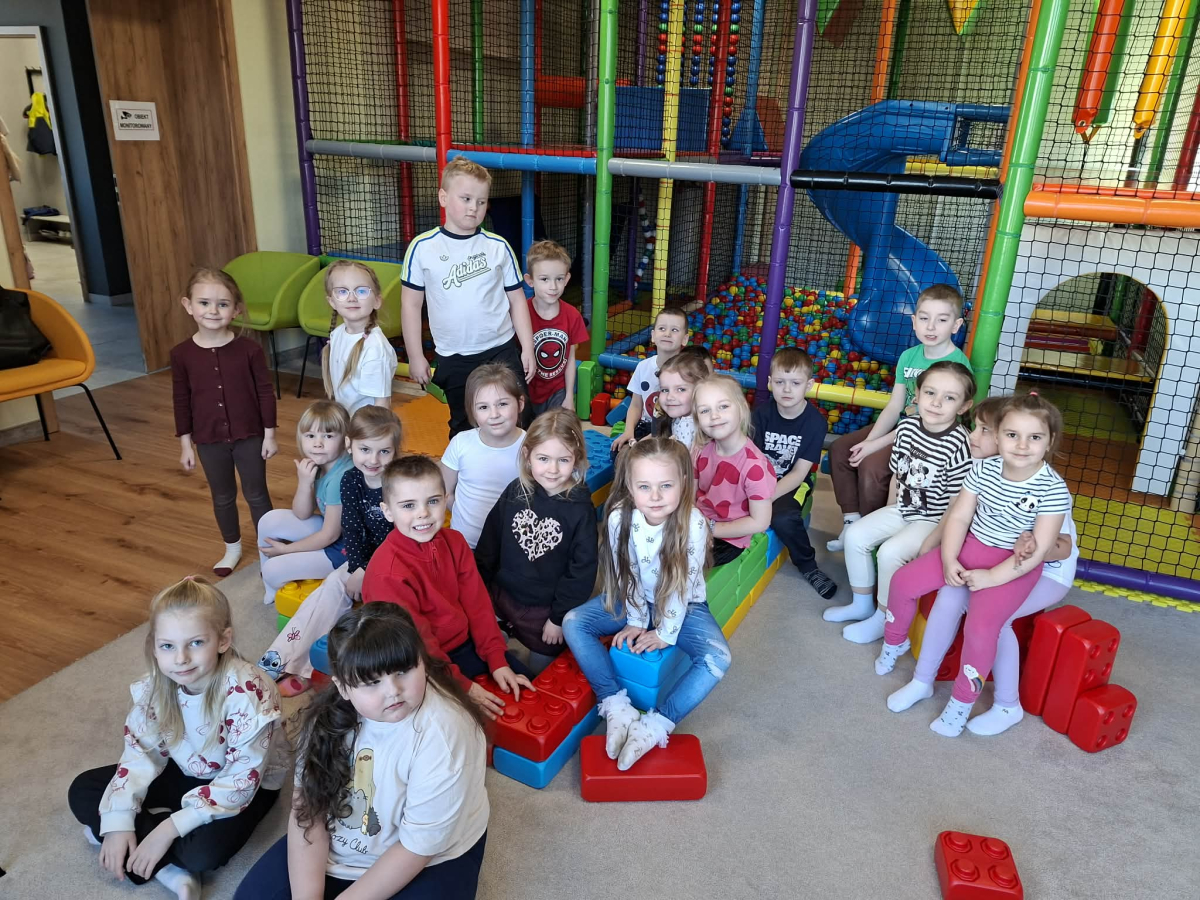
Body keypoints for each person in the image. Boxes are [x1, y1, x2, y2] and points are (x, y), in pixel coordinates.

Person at [234, 604, 489, 900]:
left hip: (430, 856)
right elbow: (308, 811)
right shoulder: (325, 720)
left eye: (404, 670)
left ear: (422, 660)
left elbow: (416, 849)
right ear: (342, 687)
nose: (393, 690)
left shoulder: (443, 734)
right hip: (345, 843)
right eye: (372, 682)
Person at [69, 576, 286, 900]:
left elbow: (241, 780)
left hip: (245, 784)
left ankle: (151, 848)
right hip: (186, 766)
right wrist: (118, 821)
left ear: (223, 640)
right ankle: (169, 870)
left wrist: (167, 829)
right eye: (167, 646)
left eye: (196, 643)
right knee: (83, 790)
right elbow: (140, 752)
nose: (180, 658)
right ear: (154, 646)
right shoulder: (156, 684)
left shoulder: (248, 692)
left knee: (203, 854)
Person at [876, 393, 1072, 737]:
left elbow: (1042, 550)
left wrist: (992, 576)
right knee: (906, 581)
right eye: (1012, 435)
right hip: (971, 549)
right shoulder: (983, 469)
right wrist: (949, 558)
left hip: (1013, 566)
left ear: (1050, 441)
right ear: (999, 437)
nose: (1022, 445)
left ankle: (961, 704)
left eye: (1034, 437)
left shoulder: (1053, 489)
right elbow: (960, 517)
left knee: (982, 629)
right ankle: (914, 670)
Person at [563, 438, 731, 770]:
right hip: (634, 599)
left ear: (683, 482)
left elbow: (681, 586)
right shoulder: (618, 519)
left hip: (684, 605)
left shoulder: (694, 523)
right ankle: (615, 703)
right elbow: (626, 573)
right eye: (644, 486)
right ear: (630, 486)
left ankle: (656, 725)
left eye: (666, 485)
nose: (655, 496)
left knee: (718, 658)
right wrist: (638, 619)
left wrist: (666, 632)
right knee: (574, 622)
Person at [363, 455, 534, 721]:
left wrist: (497, 659)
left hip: (463, 644)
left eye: (433, 501)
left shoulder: (455, 542)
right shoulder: (387, 573)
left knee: (526, 687)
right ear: (387, 511)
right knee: (467, 725)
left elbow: (477, 605)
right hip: (415, 663)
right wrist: (463, 687)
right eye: (408, 505)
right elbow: (416, 643)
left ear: (446, 499)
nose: (423, 513)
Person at [823, 361, 975, 642]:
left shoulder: (959, 444)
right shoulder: (907, 428)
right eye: (930, 393)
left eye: (949, 398)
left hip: (934, 519)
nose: (936, 403)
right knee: (855, 535)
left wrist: (934, 541)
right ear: (917, 395)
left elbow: (958, 503)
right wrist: (886, 513)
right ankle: (861, 603)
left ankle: (884, 617)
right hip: (903, 508)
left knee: (890, 552)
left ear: (964, 406)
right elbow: (897, 474)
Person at [257, 405, 402, 696]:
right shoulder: (351, 480)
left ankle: (303, 669)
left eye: (384, 451)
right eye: (365, 450)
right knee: (326, 593)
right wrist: (358, 567)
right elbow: (353, 531)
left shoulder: (398, 483)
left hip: (395, 560)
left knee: (362, 604)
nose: (373, 460)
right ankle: (279, 660)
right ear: (350, 445)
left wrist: (366, 569)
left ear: (395, 451)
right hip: (361, 558)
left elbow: (399, 538)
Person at [826, 284, 970, 551]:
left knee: (871, 466)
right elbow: (895, 406)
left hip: (927, 437)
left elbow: (922, 424)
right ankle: (852, 522)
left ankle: (872, 534)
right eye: (924, 318)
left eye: (941, 320)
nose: (931, 327)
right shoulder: (908, 357)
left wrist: (874, 446)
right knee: (841, 449)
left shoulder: (956, 366)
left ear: (956, 325)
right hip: (904, 426)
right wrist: (869, 441)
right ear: (914, 321)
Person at [401, 157, 535, 438]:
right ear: (443, 198)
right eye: (466, 199)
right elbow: (411, 305)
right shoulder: (422, 248)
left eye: (481, 201)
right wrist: (415, 355)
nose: (474, 207)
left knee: (518, 419)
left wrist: (527, 348)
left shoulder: (498, 246)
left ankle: (522, 467)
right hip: (454, 356)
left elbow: (517, 301)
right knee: (464, 425)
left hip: (500, 350)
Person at [171, 268, 276, 576]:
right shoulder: (181, 354)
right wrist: (185, 444)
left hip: (250, 436)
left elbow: (265, 393)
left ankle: (269, 549)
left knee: (257, 494)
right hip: (208, 439)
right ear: (188, 305)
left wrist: (269, 435)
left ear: (236, 309)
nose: (213, 311)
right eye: (204, 303)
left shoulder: (250, 350)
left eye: (223, 304)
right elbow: (181, 399)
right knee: (223, 496)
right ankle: (232, 547)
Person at [475, 408, 599, 668]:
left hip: (545, 609)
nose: (552, 469)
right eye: (543, 458)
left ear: (576, 459)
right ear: (527, 456)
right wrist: (479, 587)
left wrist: (558, 618)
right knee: (488, 654)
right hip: (501, 596)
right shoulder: (516, 491)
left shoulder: (580, 509)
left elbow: (582, 571)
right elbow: (489, 542)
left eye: (563, 460)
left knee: (541, 670)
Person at [749, 347, 837, 599]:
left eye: (795, 383)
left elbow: (799, 472)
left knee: (783, 518)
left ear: (808, 385)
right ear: (770, 383)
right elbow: (750, 459)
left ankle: (808, 566)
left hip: (794, 482)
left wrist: (766, 497)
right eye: (780, 382)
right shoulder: (761, 415)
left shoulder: (815, 423)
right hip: (760, 478)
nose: (786, 390)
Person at [256, 400, 353, 606]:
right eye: (310, 436)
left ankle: (274, 576)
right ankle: (271, 586)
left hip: (347, 549)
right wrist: (305, 483)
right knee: (268, 520)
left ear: (345, 440)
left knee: (273, 570)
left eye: (328, 436)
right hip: (334, 529)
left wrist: (287, 550)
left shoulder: (341, 478)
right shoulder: (320, 464)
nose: (318, 444)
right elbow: (302, 514)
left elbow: (329, 535)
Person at [439, 363, 526, 549]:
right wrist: (463, 516)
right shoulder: (461, 443)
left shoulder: (531, 447)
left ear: (520, 404)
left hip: (512, 547)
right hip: (465, 545)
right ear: (472, 411)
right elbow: (444, 491)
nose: (494, 414)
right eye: (483, 407)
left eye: (502, 404)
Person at [692, 374, 775, 566]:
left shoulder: (754, 467)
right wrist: (691, 522)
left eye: (723, 406)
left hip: (730, 536)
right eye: (705, 410)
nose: (714, 415)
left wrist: (711, 529)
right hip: (698, 520)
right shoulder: (700, 450)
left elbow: (760, 522)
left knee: (682, 562)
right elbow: (690, 493)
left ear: (741, 409)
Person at [321, 259, 398, 414]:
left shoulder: (375, 348)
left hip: (366, 426)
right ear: (332, 302)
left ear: (377, 301)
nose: (351, 298)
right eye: (342, 291)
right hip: (346, 422)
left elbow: (381, 405)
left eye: (361, 291)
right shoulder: (337, 334)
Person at [524, 240, 588, 417]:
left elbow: (570, 359)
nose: (553, 287)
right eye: (544, 279)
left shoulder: (572, 315)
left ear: (566, 279)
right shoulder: (522, 313)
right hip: (527, 389)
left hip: (557, 390)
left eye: (559, 279)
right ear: (530, 281)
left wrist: (569, 397)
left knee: (557, 429)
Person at [611, 306, 689, 449]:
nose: (667, 334)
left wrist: (652, 437)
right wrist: (628, 431)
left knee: (653, 454)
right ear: (653, 336)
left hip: (673, 428)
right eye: (662, 328)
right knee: (619, 451)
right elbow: (636, 405)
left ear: (685, 339)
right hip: (645, 425)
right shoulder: (643, 367)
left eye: (674, 330)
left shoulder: (686, 372)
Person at [654, 348, 712, 450]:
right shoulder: (680, 417)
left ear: (699, 390)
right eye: (664, 390)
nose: (670, 397)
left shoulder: (690, 425)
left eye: (681, 389)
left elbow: (683, 459)